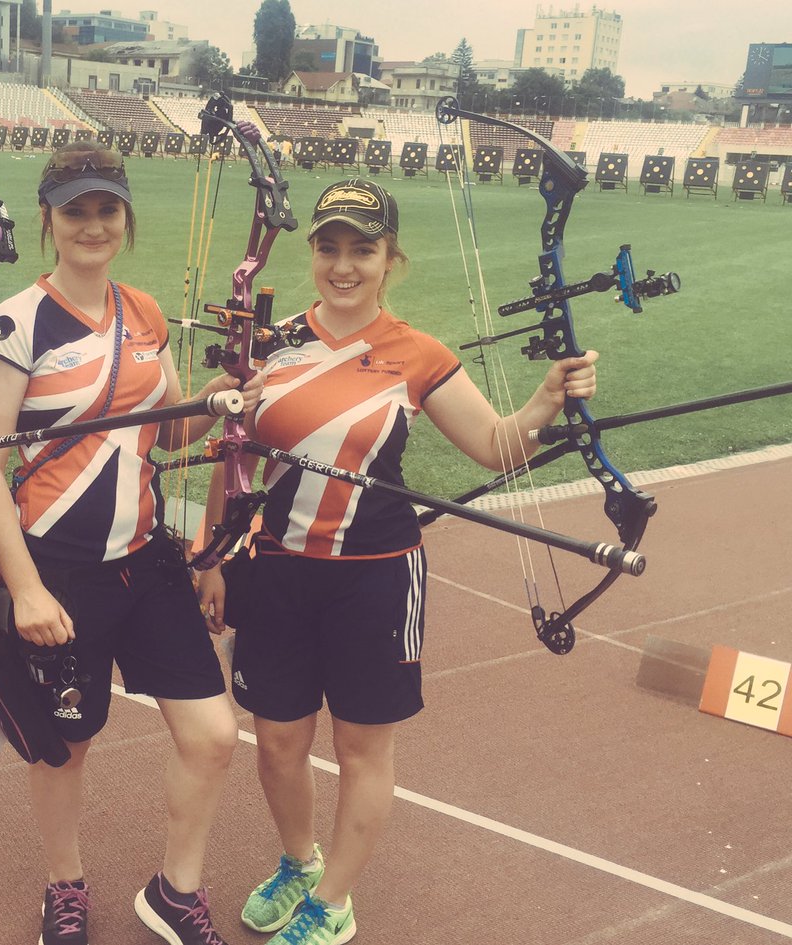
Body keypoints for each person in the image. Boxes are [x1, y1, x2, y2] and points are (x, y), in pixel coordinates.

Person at [197, 178, 599, 945]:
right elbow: (233, 454)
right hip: (276, 570)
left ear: (390, 259)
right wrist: (211, 554)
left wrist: (549, 396)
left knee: (359, 747)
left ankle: (333, 901)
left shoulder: (420, 354)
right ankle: (300, 863)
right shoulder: (271, 343)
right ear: (312, 252)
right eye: (329, 247)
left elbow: (497, 445)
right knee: (277, 742)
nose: (343, 266)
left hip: (375, 577)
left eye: (363, 250)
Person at [0, 141, 257, 945]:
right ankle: (65, 884)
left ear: (125, 217)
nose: (92, 225)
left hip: (145, 560)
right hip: (57, 571)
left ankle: (175, 892)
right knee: (65, 745)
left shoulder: (145, 311)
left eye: (106, 210)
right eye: (75, 211)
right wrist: (26, 588)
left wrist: (220, 397)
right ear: (48, 220)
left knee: (213, 735)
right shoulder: (17, 323)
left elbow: (170, 430)